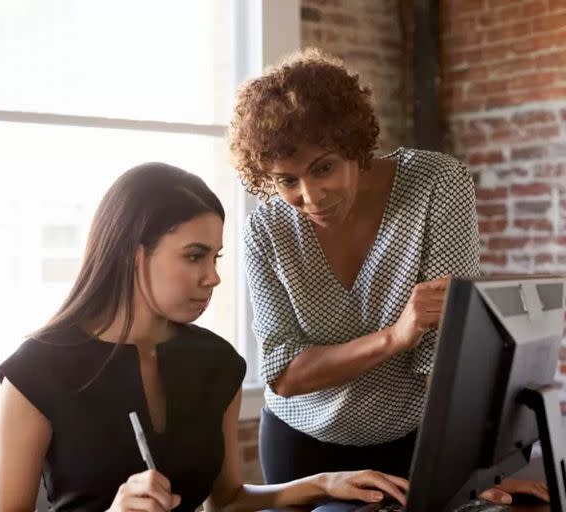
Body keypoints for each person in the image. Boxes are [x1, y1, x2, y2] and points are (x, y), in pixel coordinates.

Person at [0, 162, 410, 512]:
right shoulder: (36, 373)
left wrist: (325, 483)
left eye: (215, 257)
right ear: (133, 253)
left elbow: (226, 500)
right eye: (194, 256)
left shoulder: (216, 362)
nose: (212, 277)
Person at [228, 47, 549, 504]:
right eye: (286, 180)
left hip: (414, 441)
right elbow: (282, 372)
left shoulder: (437, 184)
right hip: (301, 445)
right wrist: (396, 336)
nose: (311, 196)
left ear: (356, 145)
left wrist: (480, 472)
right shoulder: (265, 230)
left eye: (324, 168)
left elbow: (445, 353)